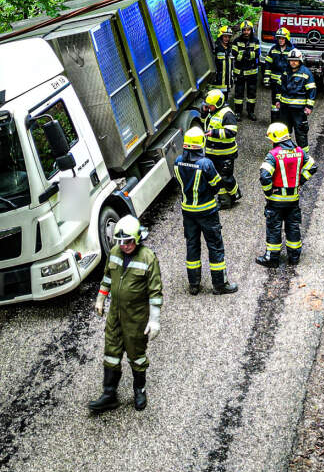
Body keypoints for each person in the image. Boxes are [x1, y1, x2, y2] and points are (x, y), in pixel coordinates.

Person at [89, 215, 163, 413]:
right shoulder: (114, 253)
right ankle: (109, 395)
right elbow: (107, 277)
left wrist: (154, 321)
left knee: (136, 355)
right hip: (115, 315)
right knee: (111, 354)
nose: (124, 246)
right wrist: (100, 298)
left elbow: (155, 293)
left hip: (136, 318)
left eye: (128, 241)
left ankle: (140, 390)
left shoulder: (148, 258)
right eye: (120, 242)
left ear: (137, 239)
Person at [175, 126, 239, 296]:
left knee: (192, 245)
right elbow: (217, 185)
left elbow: (179, 183)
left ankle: (194, 284)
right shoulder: (205, 163)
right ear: (201, 144)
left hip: (188, 211)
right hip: (207, 212)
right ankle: (220, 285)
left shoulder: (178, 161)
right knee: (215, 246)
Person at [256, 122, 316, 267]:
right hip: (293, 199)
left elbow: (265, 176)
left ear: (276, 138)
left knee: (274, 229)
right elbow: (312, 166)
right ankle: (294, 257)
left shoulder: (273, 155)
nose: (270, 141)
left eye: (271, 138)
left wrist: (268, 191)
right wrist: (300, 180)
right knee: (293, 227)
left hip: (276, 201)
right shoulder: (299, 151)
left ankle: (272, 259)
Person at [202, 89, 241, 208]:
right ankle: (224, 201)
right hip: (213, 152)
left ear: (218, 104)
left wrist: (214, 133)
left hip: (225, 154)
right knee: (218, 177)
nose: (209, 108)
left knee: (226, 177)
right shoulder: (212, 112)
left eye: (211, 106)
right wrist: (204, 112)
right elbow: (205, 122)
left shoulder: (227, 114)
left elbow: (231, 131)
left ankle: (235, 194)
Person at [273, 48, 317, 149]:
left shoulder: (306, 73)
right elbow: (279, 86)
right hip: (285, 108)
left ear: (300, 60)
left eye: (295, 60)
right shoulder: (286, 72)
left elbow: (312, 90)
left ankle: (304, 156)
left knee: (300, 133)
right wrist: (278, 100)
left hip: (299, 110)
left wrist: (309, 107)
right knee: (283, 132)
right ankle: (283, 153)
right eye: (291, 60)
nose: (293, 62)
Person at [234, 20, 262, 119]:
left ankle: (251, 112)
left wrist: (243, 54)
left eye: (248, 30)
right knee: (238, 94)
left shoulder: (256, 41)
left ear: (251, 30)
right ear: (241, 31)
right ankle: (238, 113)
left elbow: (257, 54)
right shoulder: (236, 41)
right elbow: (235, 55)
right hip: (240, 72)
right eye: (244, 30)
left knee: (252, 94)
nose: (246, 32)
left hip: (252, 73)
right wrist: (248, 54)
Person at [265, 27, 296, 91]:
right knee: (274, 99)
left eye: (282, 38)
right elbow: (268, 64)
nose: (280, 40)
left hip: (286, 81)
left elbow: (295, 66)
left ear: (287, 39)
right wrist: (267, 77)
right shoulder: (273, 49)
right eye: (279, 38)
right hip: (274, 81)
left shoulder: (292, 51)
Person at [211, 24, 235, 100]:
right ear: (221, 36)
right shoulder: (216, 48)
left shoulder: (230, 49)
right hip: (217, 83)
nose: (227, 39)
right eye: (225, 36)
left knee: (225, 102)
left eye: (228, 37)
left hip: (227, 83)